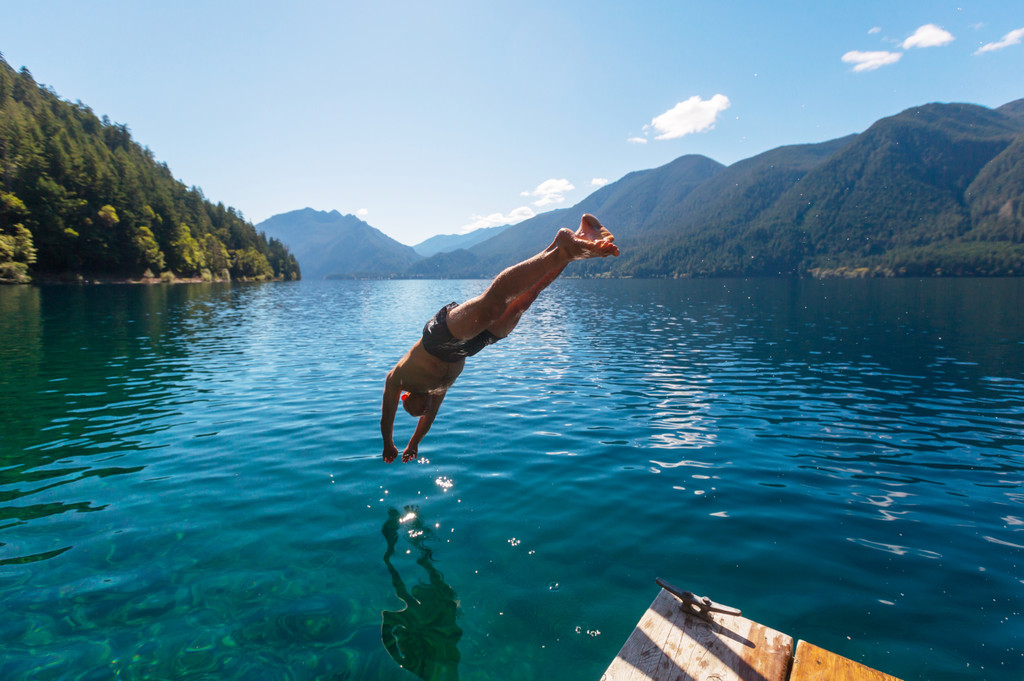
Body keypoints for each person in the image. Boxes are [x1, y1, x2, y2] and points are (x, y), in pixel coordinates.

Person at [380, 214, 618, 463]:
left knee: (492, 306)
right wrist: (413, 444)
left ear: (406, 397)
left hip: (440, 337)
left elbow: (387, 415)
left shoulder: (399, 378)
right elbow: (428, 421)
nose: (425, 411)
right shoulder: (436, 392)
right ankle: (574, 243)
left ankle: (561, 249)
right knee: (521, 303)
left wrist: (388, 443)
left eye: (419, 409)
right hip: (466, 349)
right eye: (424, 410)